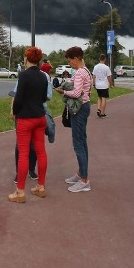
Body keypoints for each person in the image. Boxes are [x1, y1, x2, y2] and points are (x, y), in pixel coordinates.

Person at [8, 46, 49, 203]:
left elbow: (18, 99)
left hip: (25, 119)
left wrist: (16, 112)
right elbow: (44, 98)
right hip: (40, 118)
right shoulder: (44, 77)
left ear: (26, 59)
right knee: (41, 152)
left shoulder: (24, 76)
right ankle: (41, 187)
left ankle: (20, 192)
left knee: (23, 153)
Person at [55, 46, 93, 193]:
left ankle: (84, 181)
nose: (69, 63)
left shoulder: (79, 73)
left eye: (70, 60)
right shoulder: (86, 71)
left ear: (76, 58)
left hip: (79, 108)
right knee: (82, 142)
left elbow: (76, 92)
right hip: (86, 105)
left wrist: (63, 91)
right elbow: (79, 86)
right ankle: (81, 173)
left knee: (78, 143)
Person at [91, 53, 113, 118]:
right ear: (105, 59)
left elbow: (94, 76)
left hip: (98, 85)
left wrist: (94, 84)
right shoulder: (106, 67)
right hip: (104, 85)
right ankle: (102, 113)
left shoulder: (95, 67)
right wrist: (111, 84)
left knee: (99, 98)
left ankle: (98, 109)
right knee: (104, 98)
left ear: (99, 59)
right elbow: (109, 77)